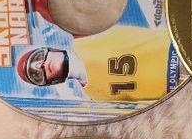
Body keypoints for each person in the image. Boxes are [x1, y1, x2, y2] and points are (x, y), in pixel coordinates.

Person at [15, 25, 177, 102]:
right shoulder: (96, 99)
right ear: (49, 82)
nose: (41, 66)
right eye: (36, 75)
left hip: (177, 48)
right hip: (178, 92)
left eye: (38, 57)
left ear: (50, 49)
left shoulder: (84, 36)